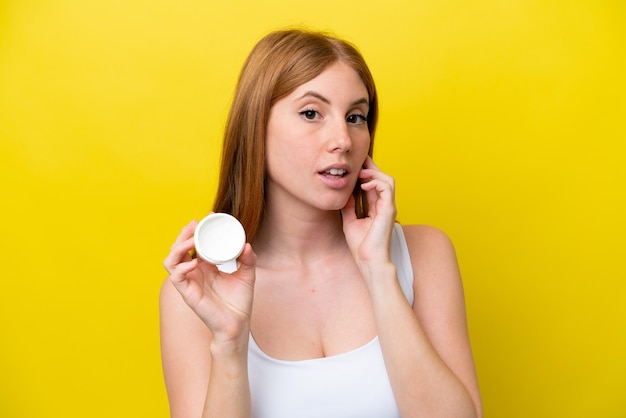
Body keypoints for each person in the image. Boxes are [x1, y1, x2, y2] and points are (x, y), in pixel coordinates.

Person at [160, 28, 482, 418]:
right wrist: (229, 343)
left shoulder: (425, 254)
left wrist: (378, 272)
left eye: (356, 117)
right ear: (255, 127)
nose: (343, 140)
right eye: (311, 113)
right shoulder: (199, 290)